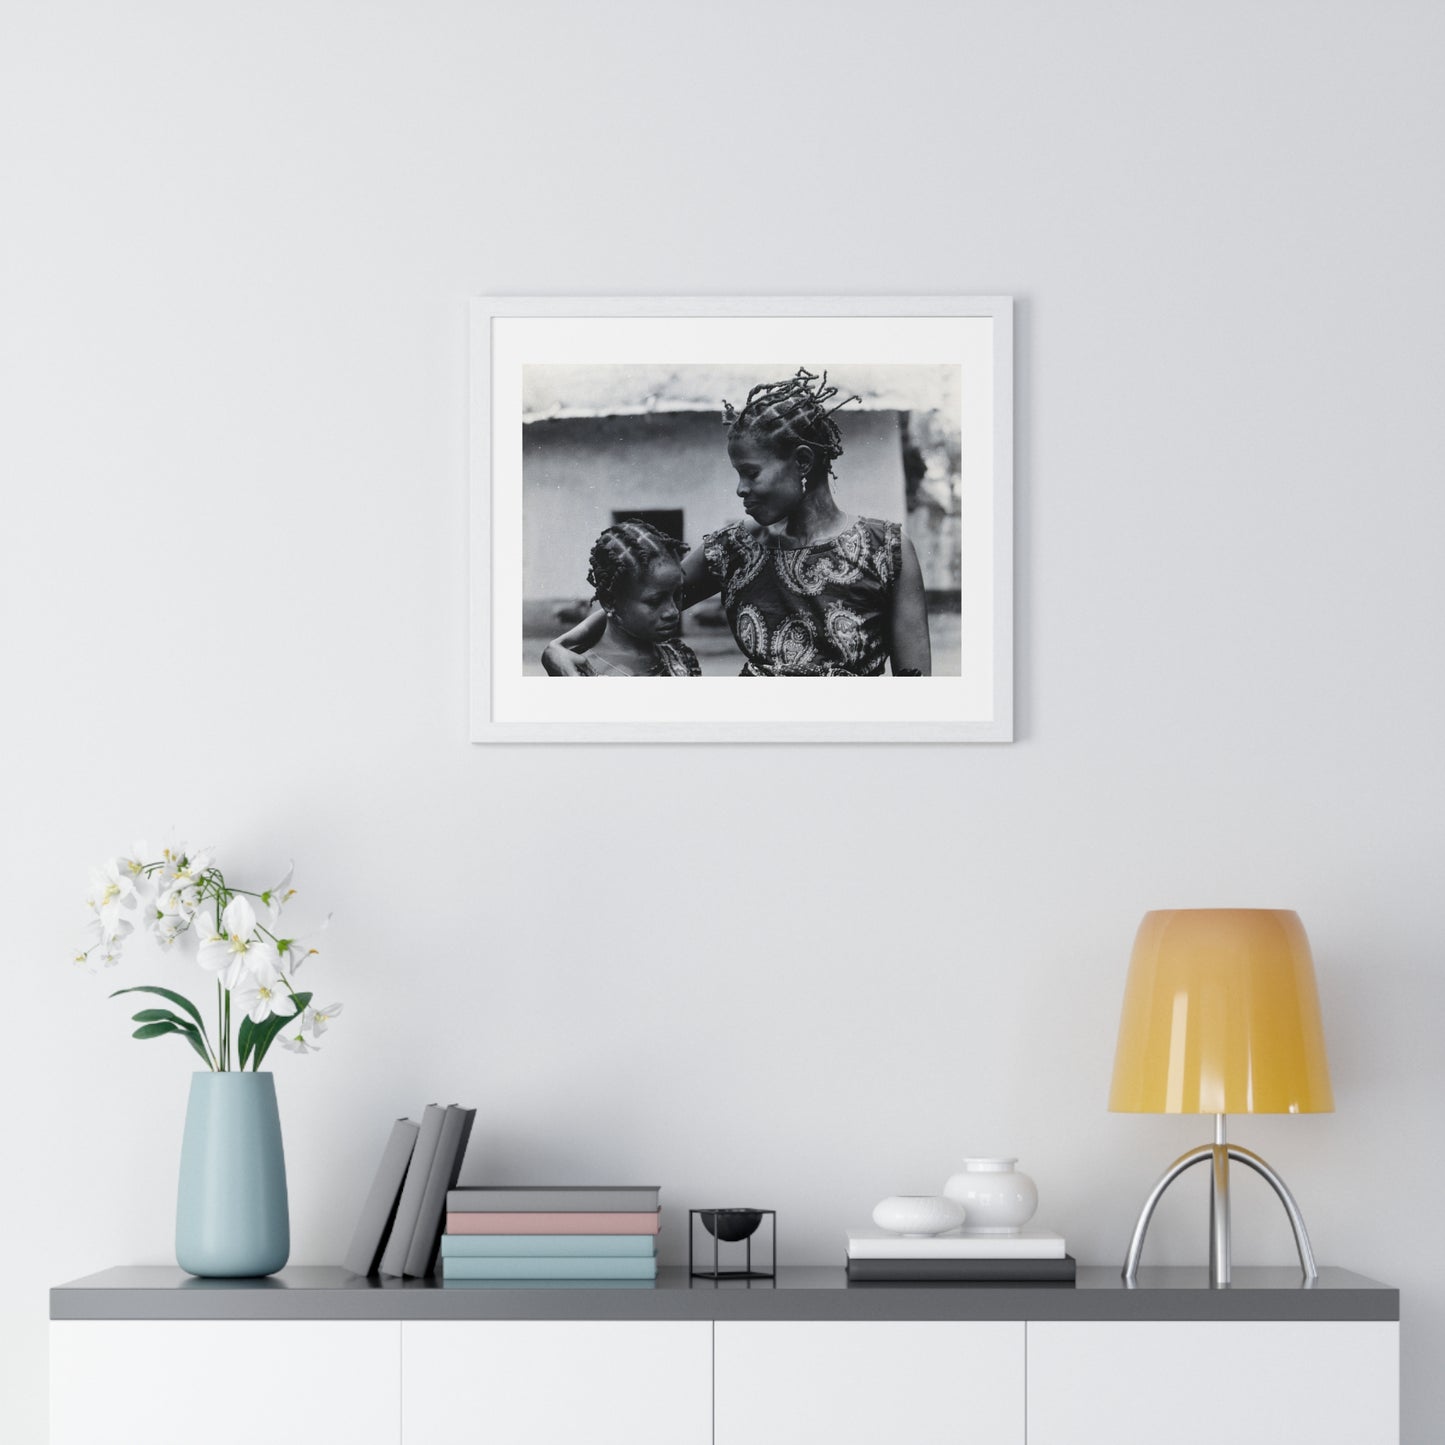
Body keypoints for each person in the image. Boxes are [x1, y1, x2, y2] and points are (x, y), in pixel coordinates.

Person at [543, 368, 931, 677]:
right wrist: (558, 648)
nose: (740, 489)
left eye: (750, 473)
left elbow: (914, 690)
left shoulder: (887, 552)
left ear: (802, 462)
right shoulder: (733, 550)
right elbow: (637, 597)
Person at [568, 520, 701, 676]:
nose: (673, 611)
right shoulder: (576, 671)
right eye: (655, 601)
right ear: (609, 602)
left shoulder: (681, 656)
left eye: (677, 595)